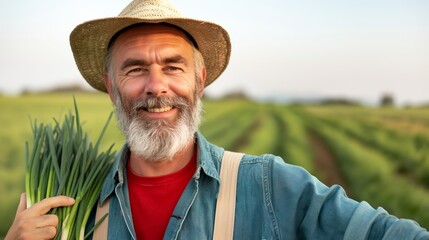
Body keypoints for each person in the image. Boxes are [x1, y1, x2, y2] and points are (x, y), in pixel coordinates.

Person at [6, 0, 429, 239]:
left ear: (200, 80)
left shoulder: (270, 187)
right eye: (135, 69)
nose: (156, 86)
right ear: (111, 86)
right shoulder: (69, 202)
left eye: (173, 67)